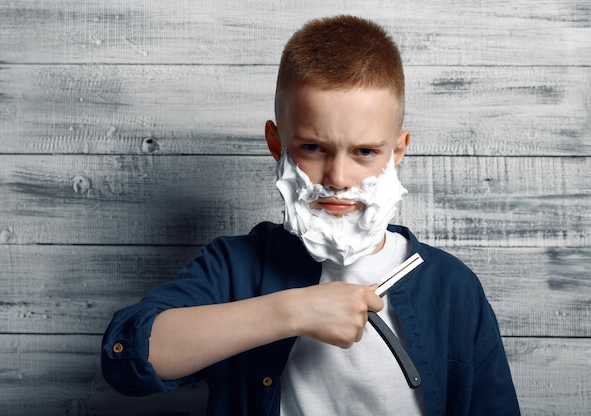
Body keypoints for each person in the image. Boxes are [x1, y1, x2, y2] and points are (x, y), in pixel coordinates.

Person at [101, 15, 521, 415]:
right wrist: (291, 312)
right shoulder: (235, 267)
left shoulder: (452, 289)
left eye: (365, 152)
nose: (338, 178)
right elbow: (126, 357)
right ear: (276, 143)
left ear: (396, 153)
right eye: (313, 148)